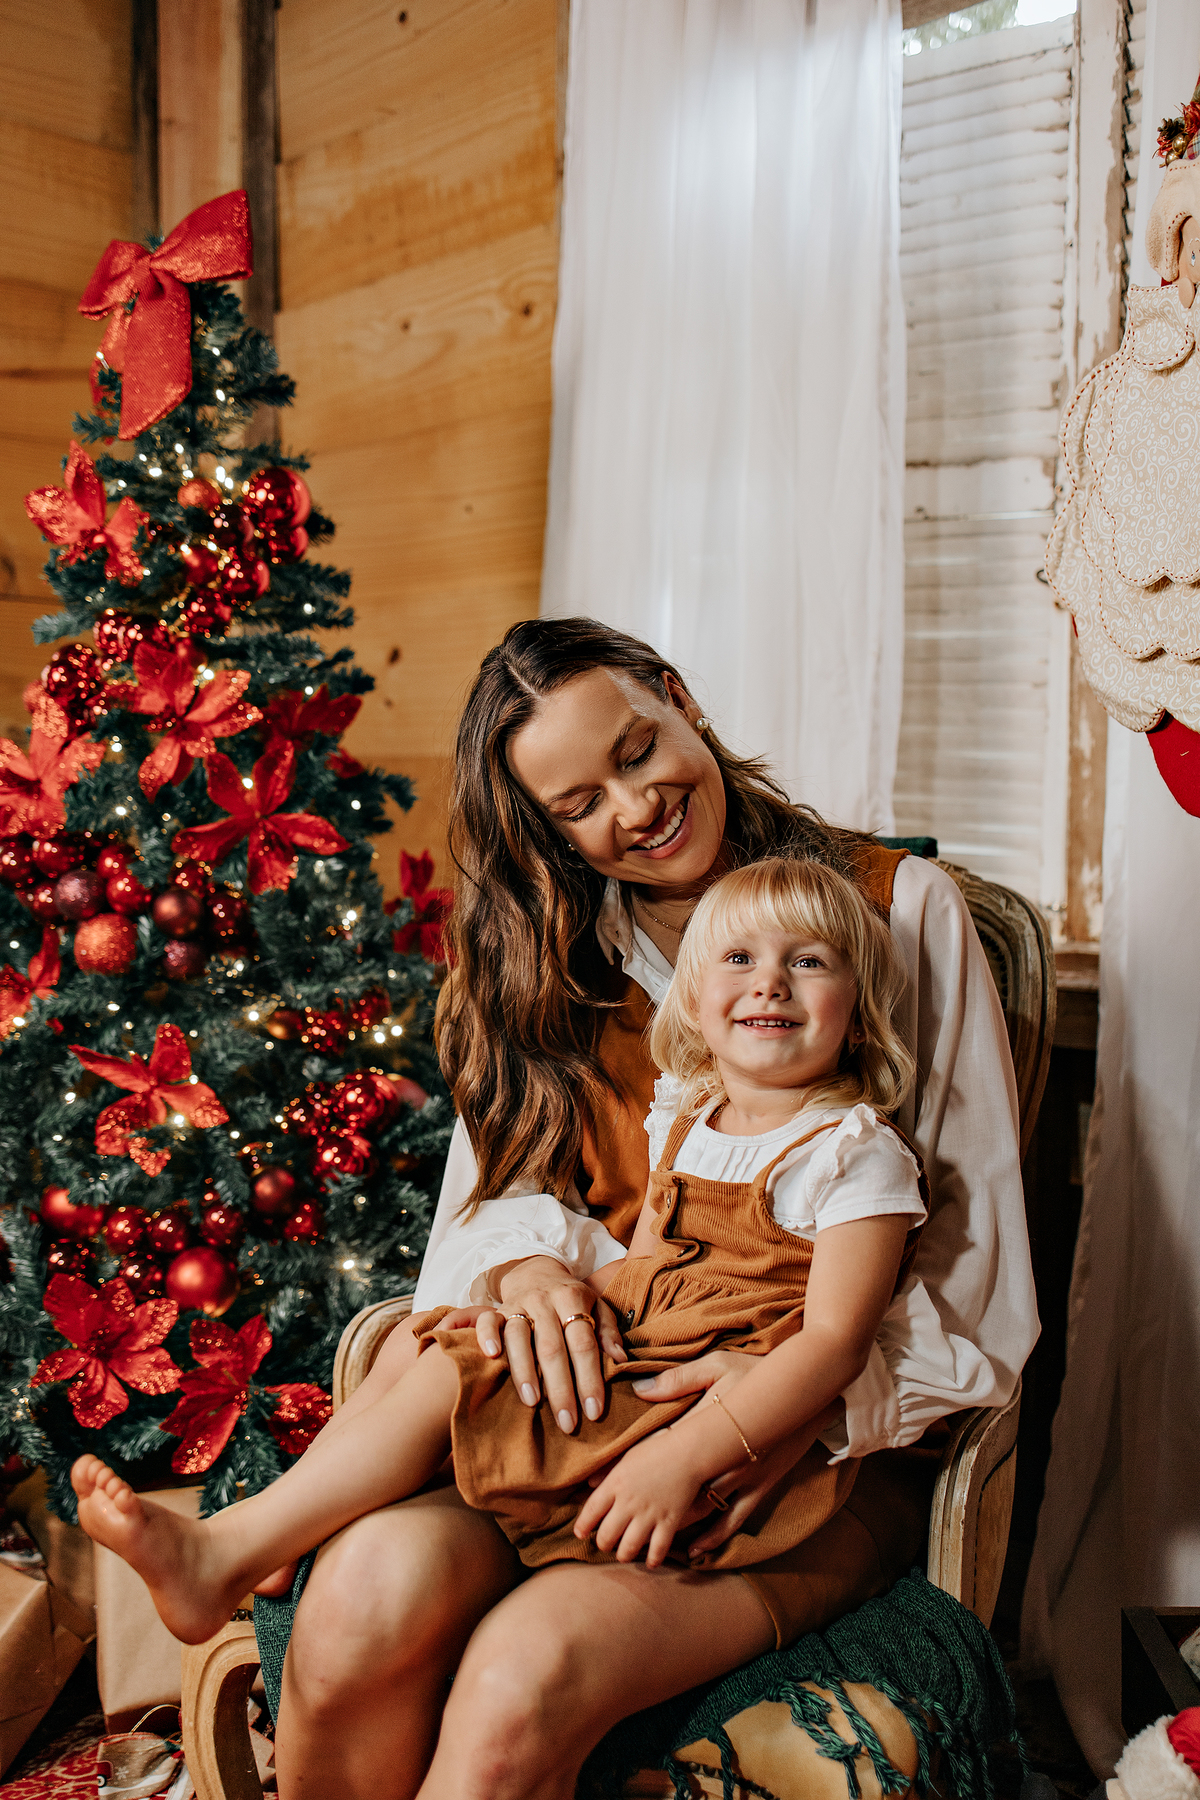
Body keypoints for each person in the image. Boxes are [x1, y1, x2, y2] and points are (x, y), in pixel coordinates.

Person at [191, 618, 1038, 1800]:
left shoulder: (894, 909)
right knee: (357, 1608)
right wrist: (529, 1271)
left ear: (678, 697)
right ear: (548, 831)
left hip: (820, 1461)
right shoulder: (547, 957)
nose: (636, 811)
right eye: (580, 804)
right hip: (585, 1413)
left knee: (523, 1675)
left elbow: (975, 1285)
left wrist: (782, 1405)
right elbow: (483, 1217)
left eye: (638, 751)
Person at [71, 857, 931, 1647]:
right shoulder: (687, 1117)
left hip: (691, 1400)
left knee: (453, 1370)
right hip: (649, 1341)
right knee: (421, 1339)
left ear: (859, 1016)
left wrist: (692, 1454)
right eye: (739, 958)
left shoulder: (852, 1151)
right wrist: (549, 1294)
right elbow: (650, 1265)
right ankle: (272, 1535)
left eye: (808, 961)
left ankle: (224, 1554)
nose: (771, 981)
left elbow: (833, 1343)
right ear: (696, 1002)